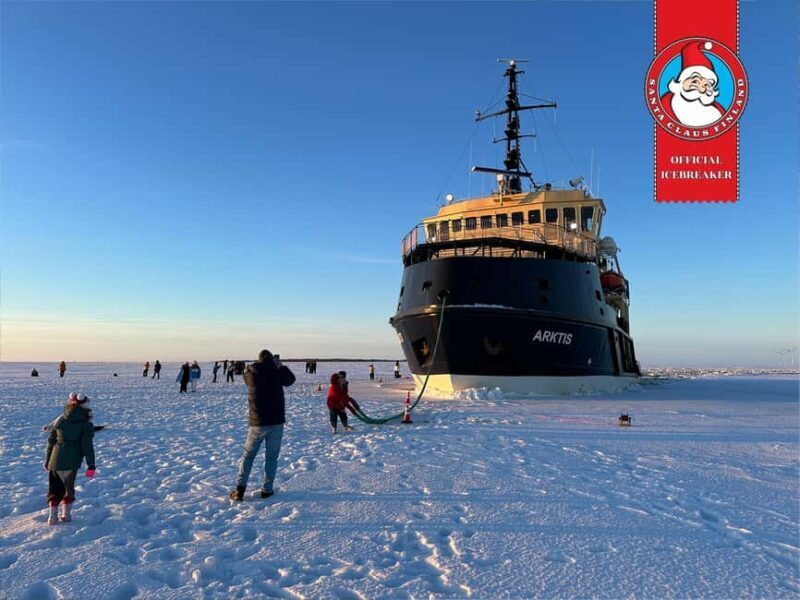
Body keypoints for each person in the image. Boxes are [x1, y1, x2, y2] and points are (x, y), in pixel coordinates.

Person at [230, 350, 295, 501]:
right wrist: (281, 367)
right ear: (272, 360)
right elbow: (290, 380)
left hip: (257, 422)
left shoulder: (251, 373)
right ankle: (267, 489)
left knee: (248, 455)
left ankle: (240, 490)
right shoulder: (277, 372)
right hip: (276, 423)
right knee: (272, 457)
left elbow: (247, 376)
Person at [44, 393, 96, 525]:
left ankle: (52, 517)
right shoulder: (86, 425)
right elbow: (87, 446)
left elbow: (51, 441)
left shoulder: (60, 420)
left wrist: (48, 460)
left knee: (54, 487)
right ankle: (66, 515)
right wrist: (91, 465)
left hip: (55, 460)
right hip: (72, 460)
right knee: (68, 487)